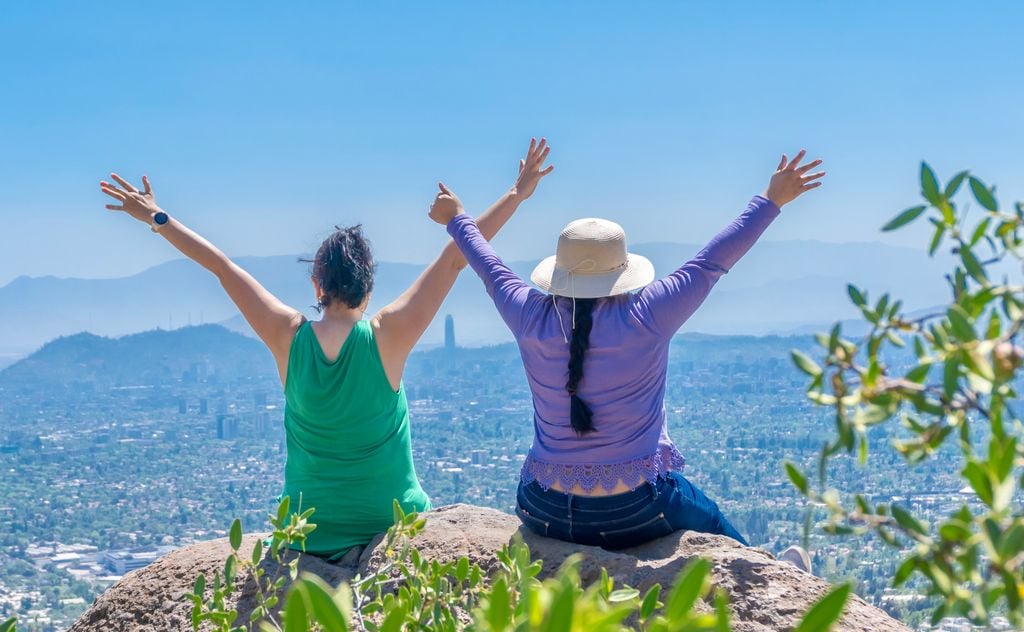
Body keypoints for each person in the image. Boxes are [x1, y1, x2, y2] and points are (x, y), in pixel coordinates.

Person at [99, 138, 554, 561]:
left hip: (308, 533)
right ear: (368, 288)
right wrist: (518, 193)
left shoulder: (286, 337)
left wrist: (157, 217)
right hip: (392, 522)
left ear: (316, 284)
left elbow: (221, 266)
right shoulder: (388, 336)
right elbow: (457, 257)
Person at [429, 150, 824, 551]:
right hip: (634, 508)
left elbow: (486, 263)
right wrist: (771, 199)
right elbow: (712, 261)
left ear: (559, 273)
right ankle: (763, 571)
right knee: (713, 520)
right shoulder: (649, 313)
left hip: (542, 509)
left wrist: (457, 216)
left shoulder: (530, 314)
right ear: (621, 272)